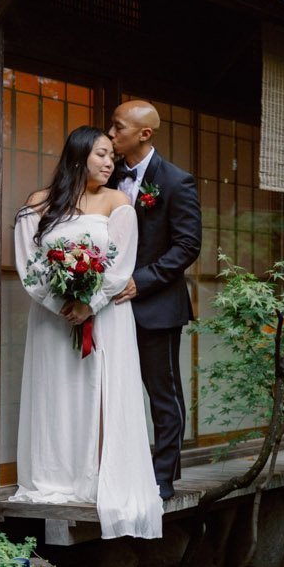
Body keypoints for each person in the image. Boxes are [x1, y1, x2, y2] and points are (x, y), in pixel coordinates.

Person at [5, 126, 163, 540]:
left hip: (106, 316)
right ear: (78, 156)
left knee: (98, 389)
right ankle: (54, 476)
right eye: (102, 155)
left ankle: (94, 478)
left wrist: (87, 303)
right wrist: (63, 305)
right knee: (56, 392)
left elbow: (120, 266)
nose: (110, 163)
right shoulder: (38, 204)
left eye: (112, 156)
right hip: (52, 320)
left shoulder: (118, 202)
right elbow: (29, 266)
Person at [105, 101, 201, 500]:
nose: (111, 134)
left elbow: (187, 246)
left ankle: (163, 477)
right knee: (113, 392)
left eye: (118, 127)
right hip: (109, 307)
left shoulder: (177, 182)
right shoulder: (106, 178)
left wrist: (139, 282)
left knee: (163, 393)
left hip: (156, 306)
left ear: (144, 134)